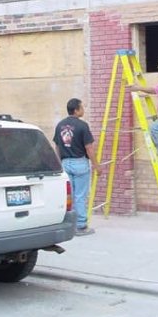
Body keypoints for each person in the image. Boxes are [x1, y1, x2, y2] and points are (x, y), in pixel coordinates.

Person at [53, 98, 101, 236]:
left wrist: (59, 164)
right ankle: (81, 226)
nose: (83, 110)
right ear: (76, 110)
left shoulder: (60, 125)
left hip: (65, 163)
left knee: (70, 195)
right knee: (80, 196)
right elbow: (89, 148)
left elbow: (57, 146)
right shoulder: (82, 126)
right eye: (82, 107)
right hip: (79, 163)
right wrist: (96, 165)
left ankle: (71, 224)